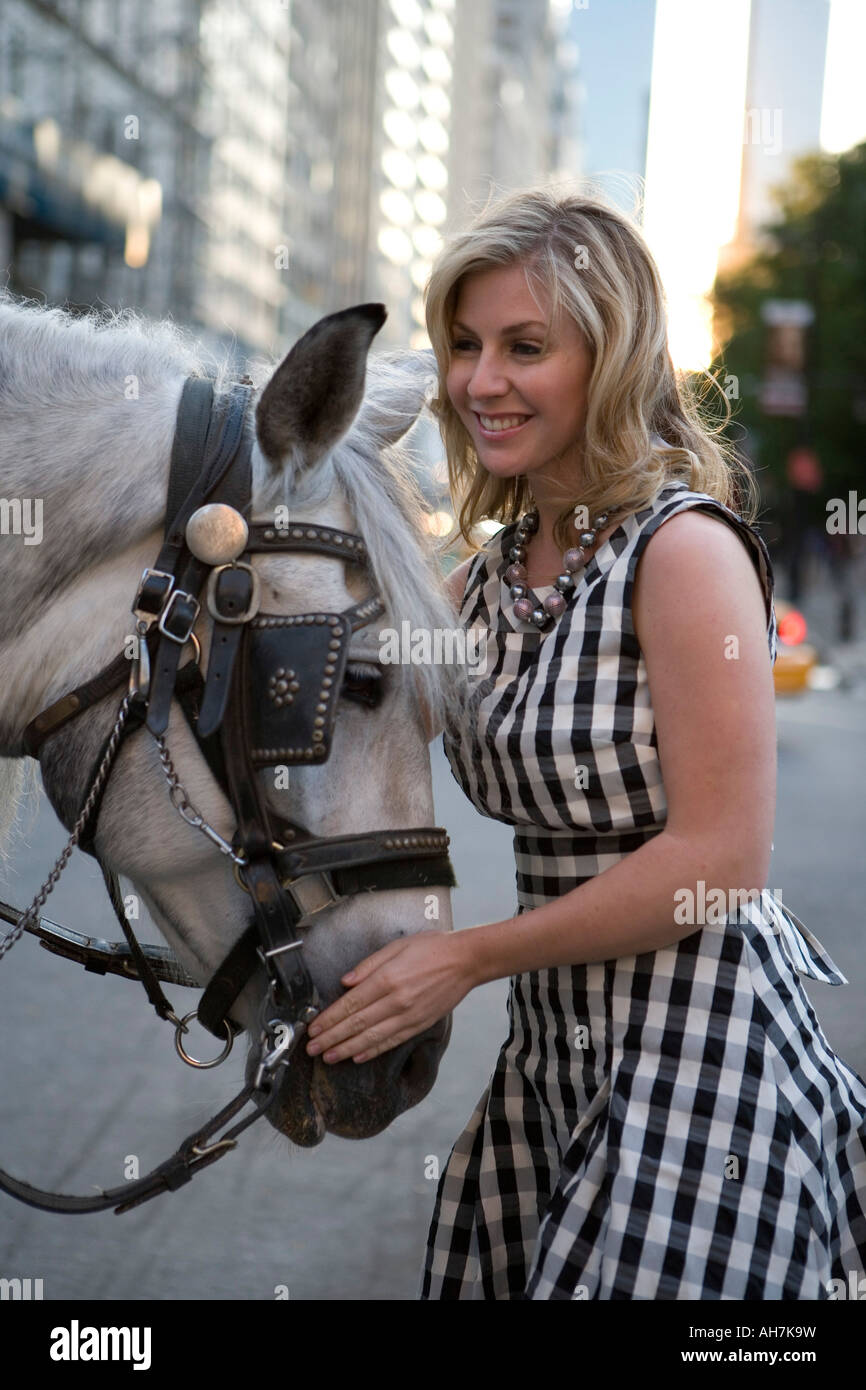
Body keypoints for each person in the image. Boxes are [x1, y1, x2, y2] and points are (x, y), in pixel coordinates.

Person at [302, 185, 866, 1300]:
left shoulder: (682, 552)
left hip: (704, 1070)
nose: (479, 382)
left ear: (606, 359)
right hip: (558, 1065)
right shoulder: (482, 578)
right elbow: (325, 697)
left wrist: (462, 958)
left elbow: (721, 861)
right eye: (463, 345)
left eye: (525, 346)